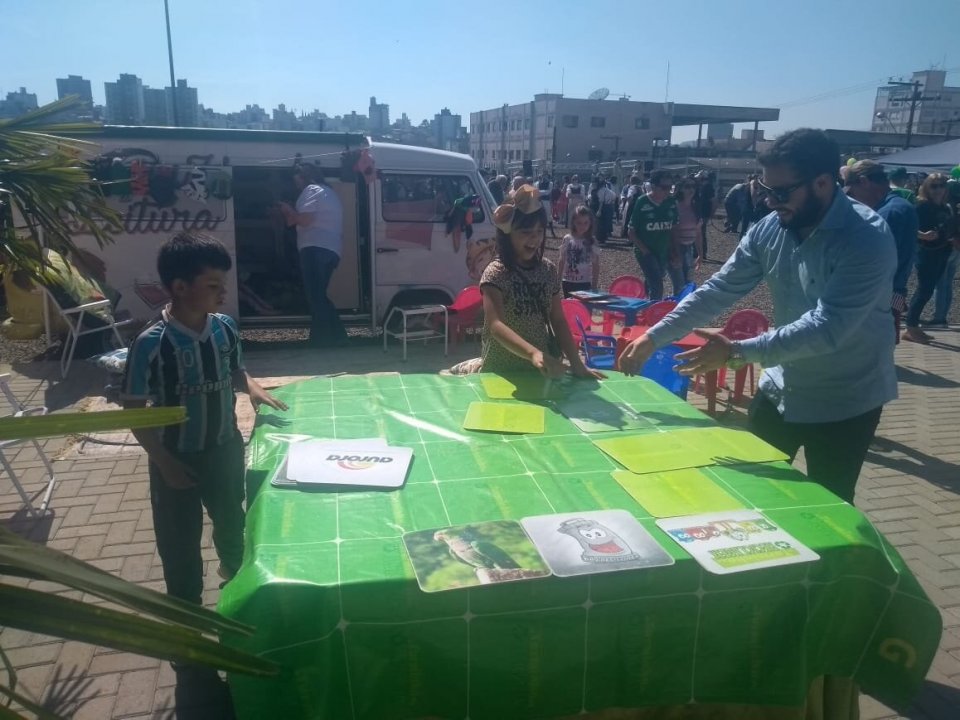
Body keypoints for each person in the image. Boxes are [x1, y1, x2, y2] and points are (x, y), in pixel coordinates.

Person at [620, 128, 897, 504]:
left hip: (845, 399)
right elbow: (718, 289)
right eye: (766, 191)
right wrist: (654, 336)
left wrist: (736, 351)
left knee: (831, 505)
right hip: (782, 386)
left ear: (822, 182)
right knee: (752, 492)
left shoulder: (866, 237)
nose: (770, 203)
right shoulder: (770, 229)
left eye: (781, 193)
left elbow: (828, 328)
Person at [122, 232, 288, 605]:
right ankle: (188, 619)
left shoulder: (224, 328)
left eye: (223, 285)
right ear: (180, 287)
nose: (223, 293)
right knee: (179, 543)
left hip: (224, 450)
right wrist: (164, 463)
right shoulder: (151, 342)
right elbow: (133, 411)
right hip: (174, 459)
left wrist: (252, 388)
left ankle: (241, 594)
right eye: (213, 285)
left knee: (233, 527)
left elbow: (235, 371)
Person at [449, 185, 602, 379]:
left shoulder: (548, 270)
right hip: (501, 370)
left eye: (539, 231)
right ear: (507, 234)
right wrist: (533, 353)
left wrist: (577, 364)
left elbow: (558, 319)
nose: (535, 238)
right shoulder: (495, 273)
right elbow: (496, 325)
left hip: (539, 368)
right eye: (525, 232)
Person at [844, 160, 919, 343]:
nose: (854, 200)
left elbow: (873, 259)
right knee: (883, 341)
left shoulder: (888, 213)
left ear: (863, 182)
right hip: (894, 288)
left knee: (874, 343)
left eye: (852, 193)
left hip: (881, 292)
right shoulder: (899, 205)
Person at [279, 163, 348, 348]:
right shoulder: (328, 192)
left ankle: (323, 339)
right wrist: (290, 215)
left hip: (315, 248)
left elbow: (305, 220)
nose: (295, 182)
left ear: (304, 177)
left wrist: (288, 210)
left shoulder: (310, 190)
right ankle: (334, 336)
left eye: (297, 177)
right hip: (330, 249)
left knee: (315, 296)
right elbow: (295, 222)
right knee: (318, 295)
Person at [903, 173, 956, 343]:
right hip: (926, 253)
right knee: (924, 291)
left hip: (943, 252)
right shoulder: (922, 206)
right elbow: (909, 228)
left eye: (941, 185)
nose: (938, 189)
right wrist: (923, 235)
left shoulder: (945, 207)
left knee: (927, 289)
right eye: (934, 186)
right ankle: (911, 327)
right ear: (927, 187)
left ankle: (913, 326)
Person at [628, 169, 682, 300]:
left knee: (652, 280)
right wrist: (645, 251)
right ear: (653, 186)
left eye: (670, 187)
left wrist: (675, 251)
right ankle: (654, 316)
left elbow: (674, 229)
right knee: (657, 286)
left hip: (663, 250)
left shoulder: (671, 203)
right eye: (664, 187)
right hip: (645, 251)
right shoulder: (642, 202)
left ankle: (645, 306)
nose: (667, 191)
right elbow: (631, 232)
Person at [557, 205, 601, 297]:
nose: (582, 226)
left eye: (586, 223)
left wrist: (594, 285)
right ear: (573, 222)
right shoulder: (567, 239)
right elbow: (562, 260)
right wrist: (558, 279)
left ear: (590, 223)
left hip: (584, 282)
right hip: (567, 281)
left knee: (584, 309)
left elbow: (596, 265)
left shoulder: (592, 242)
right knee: (570, 307)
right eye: (579, 223)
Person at [672, 178, 703, 284]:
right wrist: (675, 253)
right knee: (679, 282)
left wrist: (700, 254)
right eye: (687, 187)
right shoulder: (674, 206)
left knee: (687, 281)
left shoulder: (696, 207)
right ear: (680, 189)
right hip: (675, 247)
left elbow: (698, 233)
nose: (691, 189)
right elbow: (672, 232)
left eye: (693, 187)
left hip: (688, 248)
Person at [694, 170, 717, 261]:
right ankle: (698, 252)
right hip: (702, 213)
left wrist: (711, 214)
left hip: (704, 213)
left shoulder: (707, 187)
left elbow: (714, 201)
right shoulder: (703, 186)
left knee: (700, 233)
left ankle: (701, 253)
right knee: (699, 232)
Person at [537, 173, 557, 237]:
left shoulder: (550, 183)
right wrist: (543, 192)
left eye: (545, 175)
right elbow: (536, 191)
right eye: (543, 175)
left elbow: (548, 192)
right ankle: (541, 232)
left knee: (548, 215)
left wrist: (540, 192)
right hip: (539, 201)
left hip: (546, 201)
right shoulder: (537, 183)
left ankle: (552, 231)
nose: (544, 177)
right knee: (539, 216)